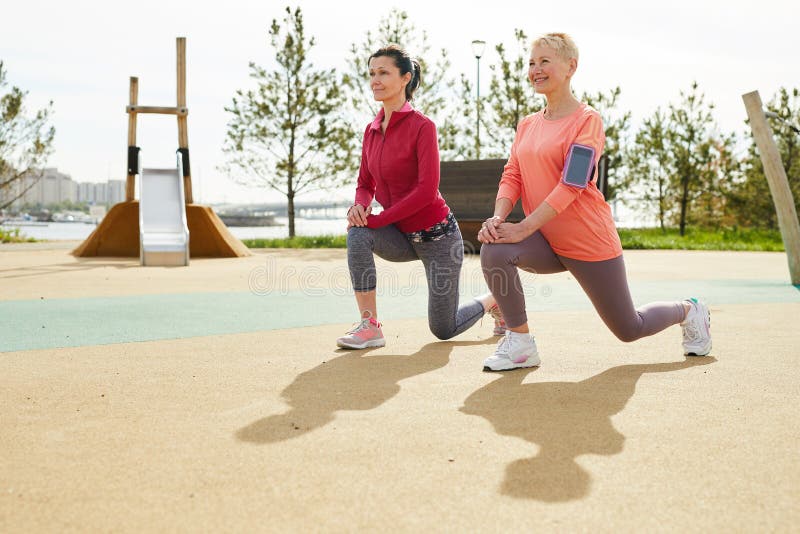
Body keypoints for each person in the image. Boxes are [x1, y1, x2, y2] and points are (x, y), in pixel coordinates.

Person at [478, 33, 712, 371]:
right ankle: (520, 343)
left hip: (588, 241)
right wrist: (499, 219)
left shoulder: (588, 120)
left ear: (571, 66)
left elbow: (572, 183)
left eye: (545, 61)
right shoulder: (527, 125)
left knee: (629, 328)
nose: (535, 69)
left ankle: (689, 310)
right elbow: (512, 174)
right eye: (531, 63)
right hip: (547, 240)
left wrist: (524, 226)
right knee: (494, 247)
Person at [337, 45, 504, 350]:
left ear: (405, 78)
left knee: (443, 328)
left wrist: (380, 218)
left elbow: (426, 191)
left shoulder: (422, 127)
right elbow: (365, 182)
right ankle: (369, 326)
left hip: (439, 240)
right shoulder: (371, 130)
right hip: (401, 236)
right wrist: (360, 208)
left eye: (383, 72)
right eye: (372, 73)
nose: (375, 79)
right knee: (357, 234)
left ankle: (494, 300)